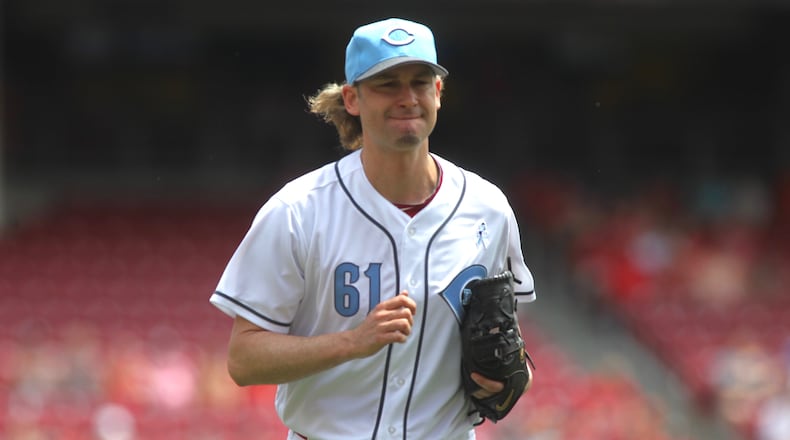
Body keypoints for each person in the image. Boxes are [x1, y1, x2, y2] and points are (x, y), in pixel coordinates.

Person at [210, 17, 536, 440]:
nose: (407, 97)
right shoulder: (298, 210)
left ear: (438, 94)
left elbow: (512, 343)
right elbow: (244, 360)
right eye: (387, 84)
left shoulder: (487, 208)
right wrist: (352, 342)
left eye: (420, 82)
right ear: (352, 99)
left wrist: (516, 374)